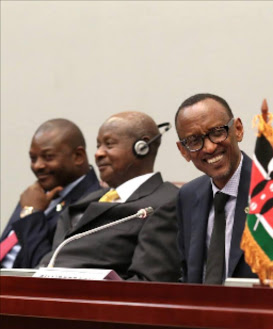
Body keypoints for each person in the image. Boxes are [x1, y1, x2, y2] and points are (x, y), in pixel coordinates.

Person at [174, 93, 273, 284]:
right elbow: (188, 277)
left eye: (217, 132)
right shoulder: (189, 196)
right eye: (194, 141)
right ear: (183, 151)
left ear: (238, 130)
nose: (209, 147)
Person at [39, 111, 181, 282]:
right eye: (98, 145)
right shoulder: (90, 198)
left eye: (109, 144)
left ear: (142, 148)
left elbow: (149, 283)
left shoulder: (166, 202)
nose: (98, 153)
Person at [1, 119, 100, 268]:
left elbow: (47, 270)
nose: (38, 166)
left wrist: (31, 214)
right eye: (33, 158)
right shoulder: (35, 193)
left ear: (78, 156)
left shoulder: (93, 201)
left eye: (48, 157)